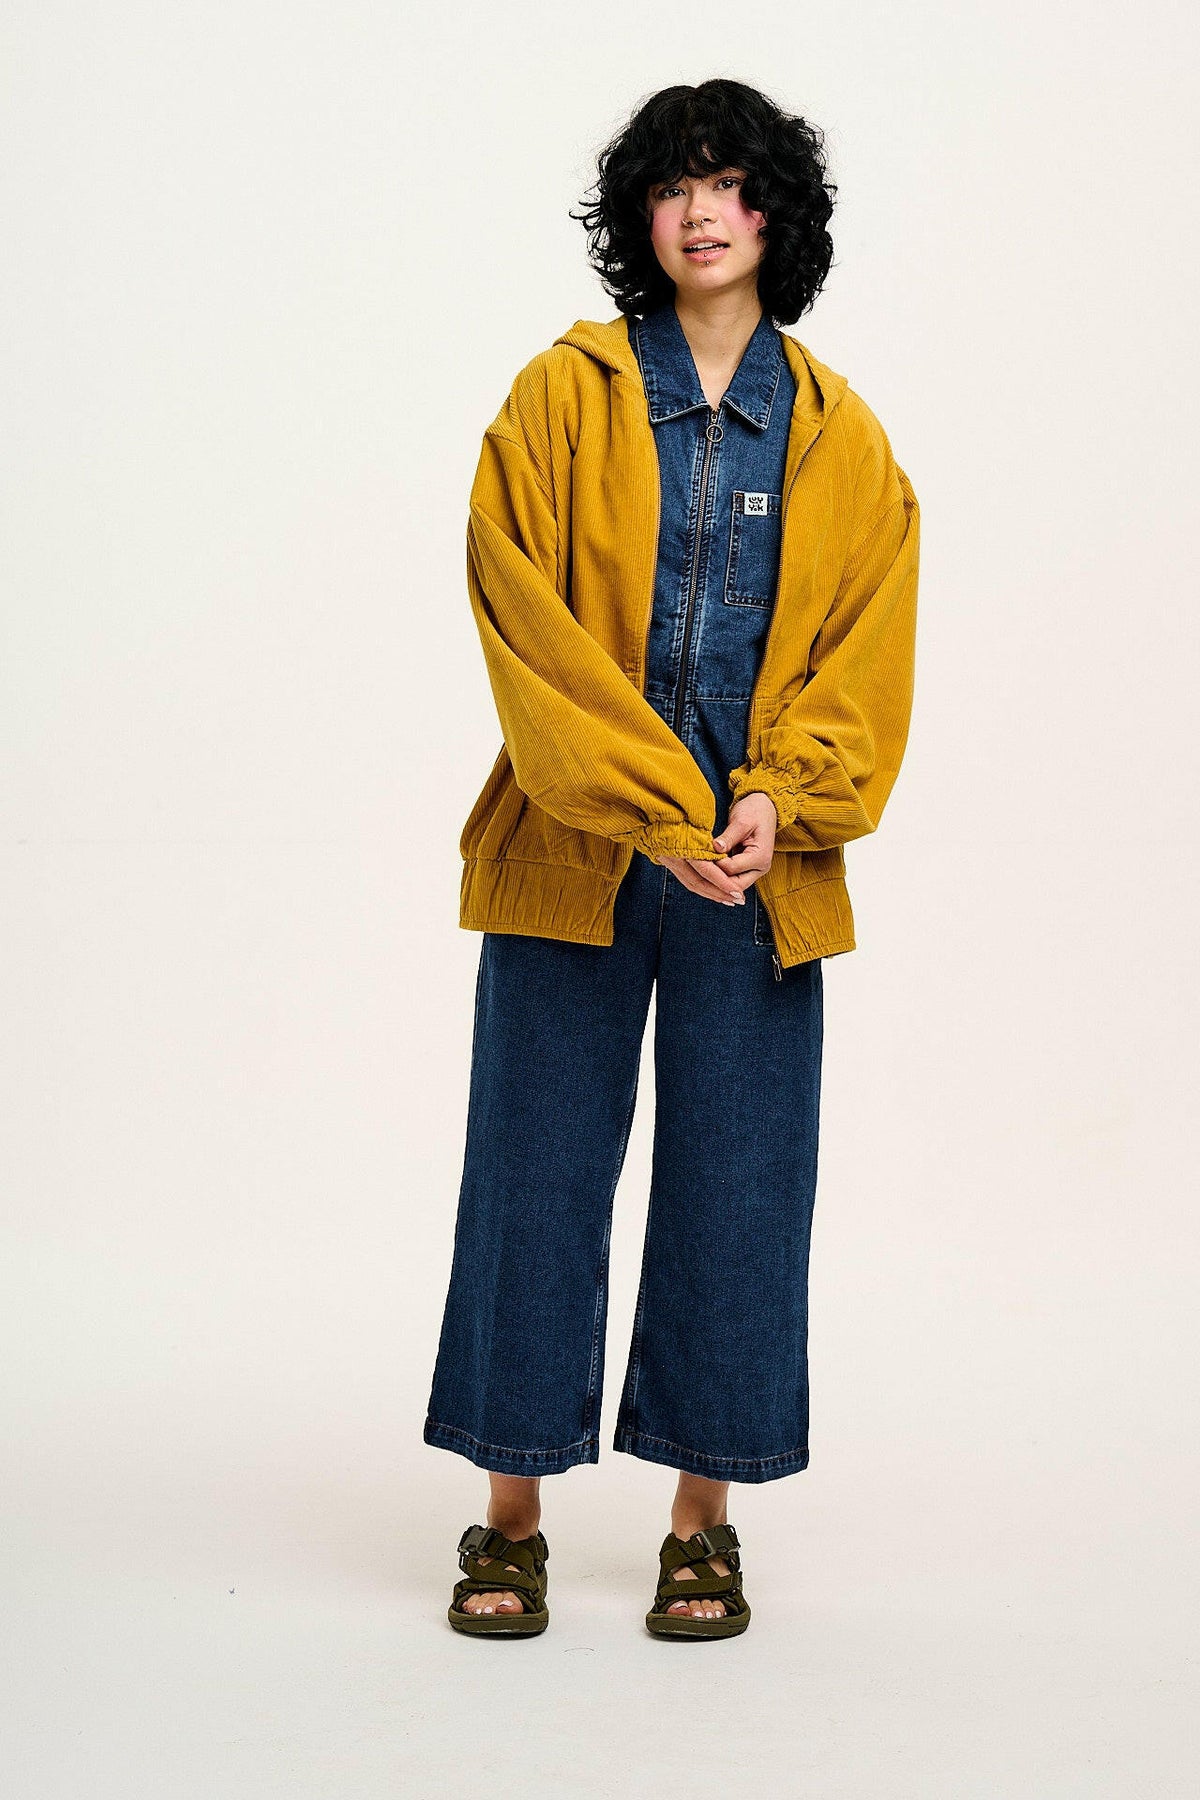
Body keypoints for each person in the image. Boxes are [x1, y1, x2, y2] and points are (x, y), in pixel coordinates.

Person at [423, 77, 920, 1639]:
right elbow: (524, 622)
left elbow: (863, 658)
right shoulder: (557, 400)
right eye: (672, 185)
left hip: (759, 874)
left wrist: (779, 800)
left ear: (778, 213)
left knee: (739, 1188)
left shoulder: (842, 437)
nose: (701, 212)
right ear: (640, 216)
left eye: (730, 182)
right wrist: (652, 803)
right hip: (573, 846)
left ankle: (703, 1520)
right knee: (534, 1172)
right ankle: (510, 1513)